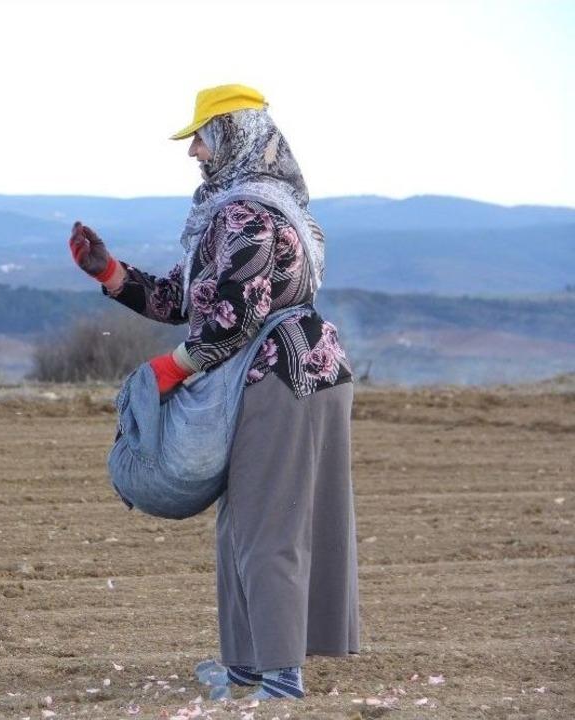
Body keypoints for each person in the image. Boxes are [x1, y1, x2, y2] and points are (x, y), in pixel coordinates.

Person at [68, 84, 359, 701]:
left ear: (233, 135)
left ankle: (279, 677)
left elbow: (230, 316)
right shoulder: (273, 207)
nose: (194, 150)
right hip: (301, 371)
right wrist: (110, 273)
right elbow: (187, 298)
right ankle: (245, 667)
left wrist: (171, 368)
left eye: (201, 136)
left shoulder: (246, 215)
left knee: (263, 527)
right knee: (244, 523)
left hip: (280, 377)